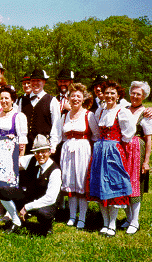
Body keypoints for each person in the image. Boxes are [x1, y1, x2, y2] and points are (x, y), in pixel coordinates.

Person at [88, 80, 135, 237]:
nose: (109, 96)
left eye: (112, 93)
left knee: (112, 186)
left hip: (114, 151)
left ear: (118, 95)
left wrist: (116, 146)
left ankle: (112, 224)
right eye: (106, 92)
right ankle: (105, 222)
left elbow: (128, 133)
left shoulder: (122, 112)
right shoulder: (100, 111)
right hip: (100, 150)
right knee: (100, 185)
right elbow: (95, 132)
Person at [0, 134, 62, 236]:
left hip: (47, 202)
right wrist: (11, 145)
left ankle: (47, 225)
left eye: (43, 151)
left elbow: (50, 198)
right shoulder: (31, 159)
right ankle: (16, 221)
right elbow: (12, 162)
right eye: (37, 152)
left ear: (49, 152)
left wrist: (27, 207)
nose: (40, 155)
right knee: (3, 189)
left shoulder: (55, 171)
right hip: (30, 196)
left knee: (43, 213)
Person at [59, 83, 100, 229]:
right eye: (72, 96)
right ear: (68, 98)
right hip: (68, 150)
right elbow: (61, 136)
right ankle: (71, 216)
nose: (75, 98)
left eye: (78, 96)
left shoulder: (89, 115)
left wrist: (88, 151)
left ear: (83, 99)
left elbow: (96, 136)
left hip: (83, 150)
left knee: (82, 183)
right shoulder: (64, 116)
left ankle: (81, 217)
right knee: (70, 182)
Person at [121, 81, 152, 235]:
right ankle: (128, 218)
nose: (135, 96)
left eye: (138, 94)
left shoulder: (146, 113)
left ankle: (135, 221)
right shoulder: (124, 108)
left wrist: (146, 161)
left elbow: (148, 139)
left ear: (144, 96)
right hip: (123, 149)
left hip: (137, 150)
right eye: (133, 93)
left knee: (135, 184)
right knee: (124, 184)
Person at [0, 86, 28, 218]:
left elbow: (22, 140)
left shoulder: (18, 116)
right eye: (1, 98)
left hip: (11, 156)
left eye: (7, 98)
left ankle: (10, 211)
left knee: (10, 184)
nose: (4, 101)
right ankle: (0, 209)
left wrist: (20, 158)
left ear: (12, 100)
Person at [21, 68, 60, 155]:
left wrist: (53, 146)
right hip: (26, 148)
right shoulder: (22, 100)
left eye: (38, 80)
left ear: (44, 82)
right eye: (33, 80)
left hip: (44, 148)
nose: (35, 83)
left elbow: (56, 126)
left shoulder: (52, 101)